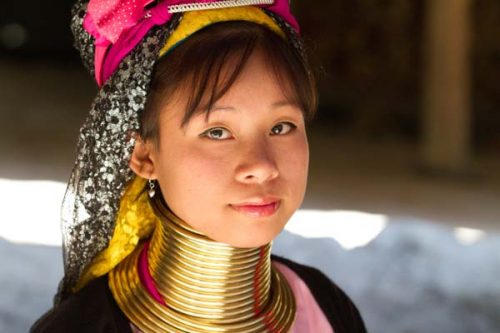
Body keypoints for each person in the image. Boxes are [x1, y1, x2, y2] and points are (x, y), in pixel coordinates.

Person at [31, 0, 366, 332]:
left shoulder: (325, 307)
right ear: (145, 155)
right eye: (217, 132)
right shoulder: (81, 327)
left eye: (281, 127)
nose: (262, 166)